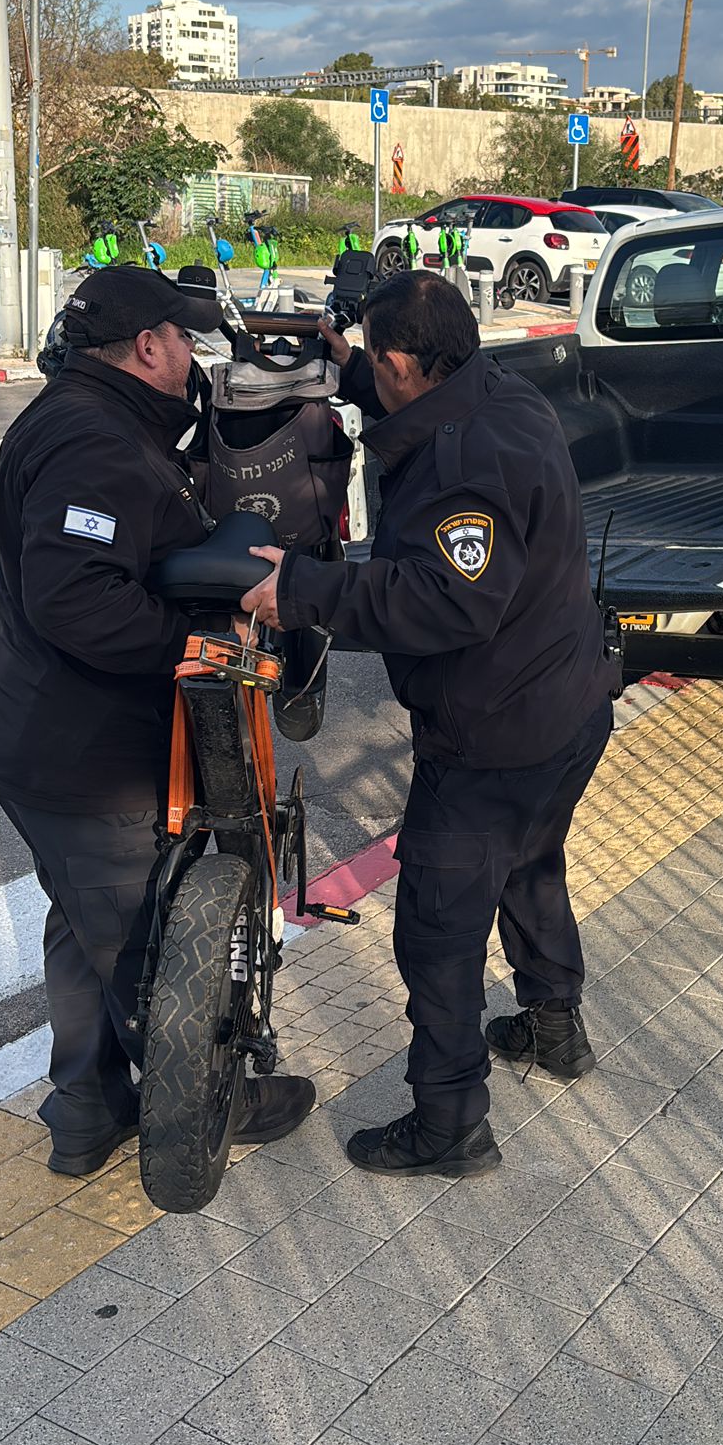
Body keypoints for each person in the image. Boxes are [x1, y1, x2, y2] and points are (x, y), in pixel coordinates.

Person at [242, 272, 618, 1178]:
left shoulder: (461, 467)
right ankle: (552, 1026)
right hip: (569, 705)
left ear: (405, 361)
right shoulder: (502, 392)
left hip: (495, 734)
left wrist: (300, 590)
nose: (371, 370)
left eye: (377, 358)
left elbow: (447, 598)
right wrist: (349, 362)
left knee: (437, 930)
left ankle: (450, 1123)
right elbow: (425, 395)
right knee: (531, 865)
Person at [0, 266, 315, 1177]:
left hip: (51, 741)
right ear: (148, 347)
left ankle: (87, 1106)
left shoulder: (91, 418)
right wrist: (191, 647)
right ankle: (214, 1100)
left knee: (86, 917)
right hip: (84, 754)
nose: (194, 358)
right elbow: (77, 600)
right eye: (184, 340)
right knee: (147, 943)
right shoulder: (96, 441)